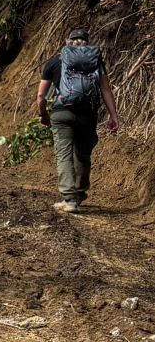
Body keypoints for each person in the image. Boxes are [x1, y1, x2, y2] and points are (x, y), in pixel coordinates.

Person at [38, 27, 120, 214]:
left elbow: (41, 94)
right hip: (88, 114)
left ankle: (69, 199)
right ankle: (80, 193)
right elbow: (106, 89)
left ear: (68, 41)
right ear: (87, 42)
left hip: (62, 114)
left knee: (64, 154)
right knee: (83, 154)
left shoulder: (56, 61)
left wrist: (43, 114)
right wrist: (113, 116)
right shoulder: (95, 61)